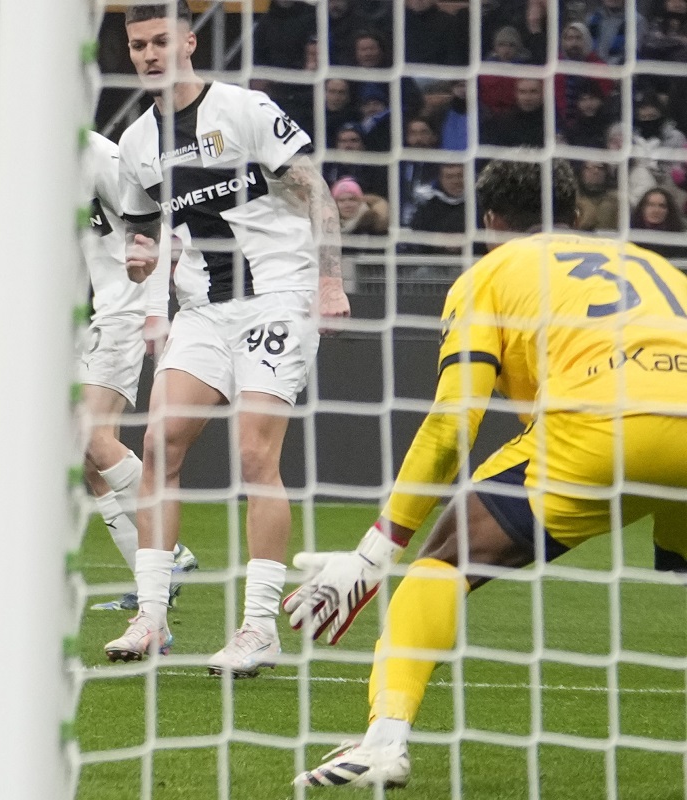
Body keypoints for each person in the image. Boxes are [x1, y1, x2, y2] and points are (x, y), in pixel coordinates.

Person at [287, 159, 687, 788]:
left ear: (492, 221)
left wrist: (374, 551)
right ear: (578, 215)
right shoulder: (652, 263)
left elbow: (453, 425)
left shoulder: (491, 273)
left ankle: (384, 740)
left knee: (441, 562)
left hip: (602, 421)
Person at [102, 2, 350, 675]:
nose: (150, 55)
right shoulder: (135, 145)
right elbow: (140, 229)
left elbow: (315, 193)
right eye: (138, 46)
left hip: (278, 295)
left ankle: (259, 627)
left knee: (252, 454)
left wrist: (330, 281)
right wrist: (139, 255)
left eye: (160, 41)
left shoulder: (244, 110)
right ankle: (151, 615)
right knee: (158, 444)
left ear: (188, 41)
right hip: (206, 308)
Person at [79, 130, 198, 613]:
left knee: (87, 433)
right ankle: (152, 587)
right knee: (88, 458)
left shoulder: (100, 155)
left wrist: (156, 308)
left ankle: (172, 552)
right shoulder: (41, 163)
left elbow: (159, 222)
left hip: (127, 309)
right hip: (103, 308)